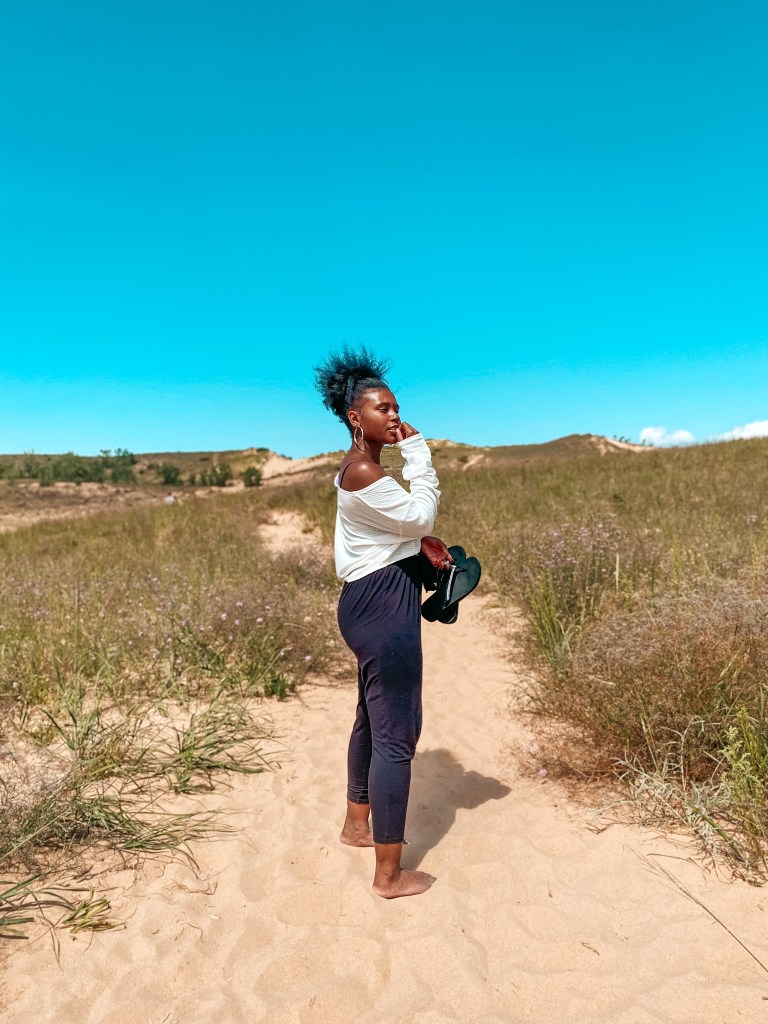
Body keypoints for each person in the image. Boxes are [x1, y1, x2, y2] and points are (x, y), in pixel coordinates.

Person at [314, 346, 454, 899]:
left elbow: (396, 530)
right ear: (356, 417)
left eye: (397, 407)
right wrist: (418, 453)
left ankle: (356, 826)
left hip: (365, 602)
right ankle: (390, 876)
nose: (395, 416)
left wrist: (419, 546)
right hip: (383, 611)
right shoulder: (365, 469)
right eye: (383, 409)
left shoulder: (357, 469)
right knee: (397, 736)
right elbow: (419, 512)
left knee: (371, 722)